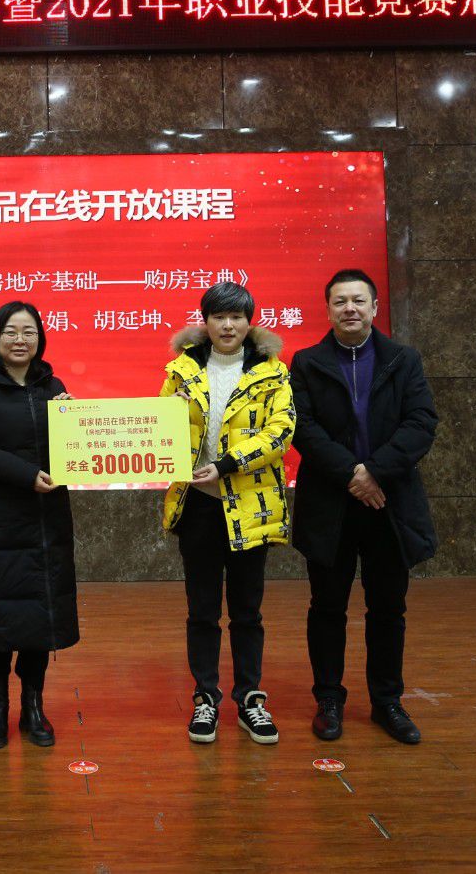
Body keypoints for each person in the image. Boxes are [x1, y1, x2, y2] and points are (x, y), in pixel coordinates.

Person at [290, 269, 439, 745]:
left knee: (388, 608)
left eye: (358, 300)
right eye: (340, 301)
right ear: (328, 310)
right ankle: (329, 700)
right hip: (329, 505)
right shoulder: (307, 362)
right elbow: (302, 427)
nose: (349, 308)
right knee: (327, 607)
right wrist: (353, 476)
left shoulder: (402, 359)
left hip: (388, 503)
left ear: (374, 307)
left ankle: (387, 702)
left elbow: (421, 422)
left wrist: (374, 472)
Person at [160, 281, 295, 745]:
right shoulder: (181, 370)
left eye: (236, 317)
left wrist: (227, 464)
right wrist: (170, 415)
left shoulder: (273, 373)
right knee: (201, 611)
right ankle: (205, 698)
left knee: (247, 612)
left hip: (251, 505)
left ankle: (250, 699)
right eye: (218, 316)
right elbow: (156, 428)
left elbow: (281, 432)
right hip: (198, 505)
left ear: (249, 322)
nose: (227, 325)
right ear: (206, 321)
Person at [0, 300, 79, 750]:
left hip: (46, 520)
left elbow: (72, 448)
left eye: (29, 332)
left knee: (39, 611)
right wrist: (26, 475)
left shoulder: (53, 386)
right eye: (11, 332)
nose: (20, 340)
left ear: (40, 338)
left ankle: (33, 703)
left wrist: (74, 420)